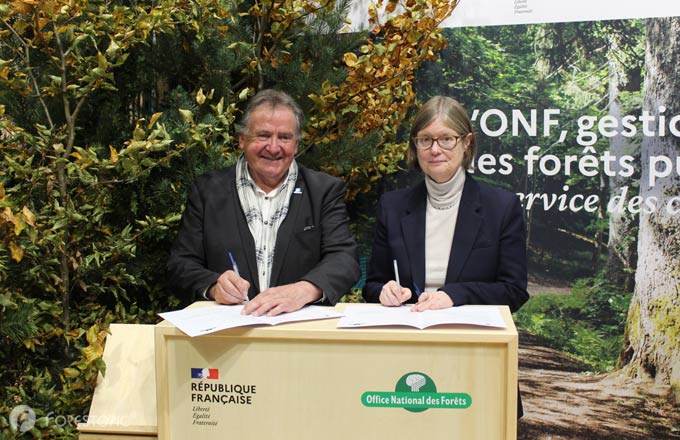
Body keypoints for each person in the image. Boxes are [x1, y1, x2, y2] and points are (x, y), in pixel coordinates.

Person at [167, 89, 360, 316]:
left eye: (285, 137)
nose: (274, 147)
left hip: (300, 333)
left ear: (296, 145)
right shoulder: (207, 191)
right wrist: (213, 286)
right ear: (242, 140)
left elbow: (344, 258)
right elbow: (180, 265)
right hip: (229, 335)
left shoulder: (323, 191)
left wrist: (304, 290)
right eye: (263, 135)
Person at [363, 96, 529, 313]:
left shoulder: (502, 207)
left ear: (466, 142)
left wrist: (455, 295)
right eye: (425, 140)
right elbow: (372, 285)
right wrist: (385, 291)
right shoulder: (392, 206)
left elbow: (514, 291)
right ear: (415, 145)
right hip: (408, 332)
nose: (434, 150)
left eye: (446, 139)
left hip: (470, 336)